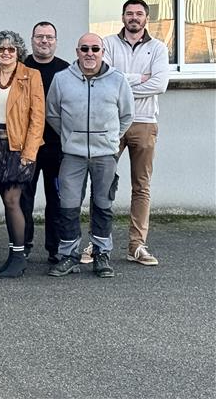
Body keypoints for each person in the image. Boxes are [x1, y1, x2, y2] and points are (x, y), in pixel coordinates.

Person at [46, 33, 134, 278]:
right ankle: (69, 255)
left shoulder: (117, 80)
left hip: (105, 155)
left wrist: (111, 139)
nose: (90, 53)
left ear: (102, 52)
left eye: (95, 48)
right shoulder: (62, 79)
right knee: (68, 207)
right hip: (72, 155)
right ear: (77, 52)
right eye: (84, 48)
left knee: (103, 206)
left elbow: (126, 115)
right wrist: (69, 137)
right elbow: (52, 114)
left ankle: (101, 253)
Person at [102, 0, 169, 266]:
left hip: (144, 122)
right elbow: (103, 75)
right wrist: (138, 79)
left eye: (139, 14)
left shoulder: (158, 48)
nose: (134, 18)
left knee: (141, 186)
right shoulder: (107, 43)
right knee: (102, 182)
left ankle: (136, 245)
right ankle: (98, 242)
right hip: (111, 121)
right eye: (129, 13)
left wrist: (121, 85)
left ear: (146, 19)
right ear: (122, 17)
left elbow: (160, 84)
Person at [0, 30, 45, 278]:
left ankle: (19, 256)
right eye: (1, 49)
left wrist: (30, 151)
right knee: (7, 201)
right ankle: (14, 252)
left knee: (13, 201)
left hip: (19, 146)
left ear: (18, 52)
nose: (6, 52)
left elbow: (38, 117)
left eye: (11, 49)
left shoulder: (31, 76)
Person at [22, 21, 70, 263]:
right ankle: (23, 245)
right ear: (32, 40)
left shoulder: (66, 70)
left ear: (56, 41)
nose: (44, 41)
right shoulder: (21, 68)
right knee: (24, 198)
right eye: (39, 37)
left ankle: (55, 248)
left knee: (56, 199)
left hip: (56, 146)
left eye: (49, 37)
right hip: (26, 147)